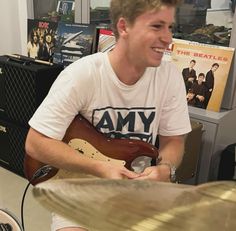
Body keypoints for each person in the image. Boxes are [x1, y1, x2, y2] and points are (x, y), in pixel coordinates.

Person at [25, 0, 191, 230]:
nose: (168, 38)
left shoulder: (169, 75)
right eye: (156, 26)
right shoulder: (81, 75)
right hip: (80, 196)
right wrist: (100, 168)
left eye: (170, 27)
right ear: (124, 27)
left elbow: (174, 140)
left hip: (138, 195)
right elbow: (36, 143)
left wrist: (166, 169)